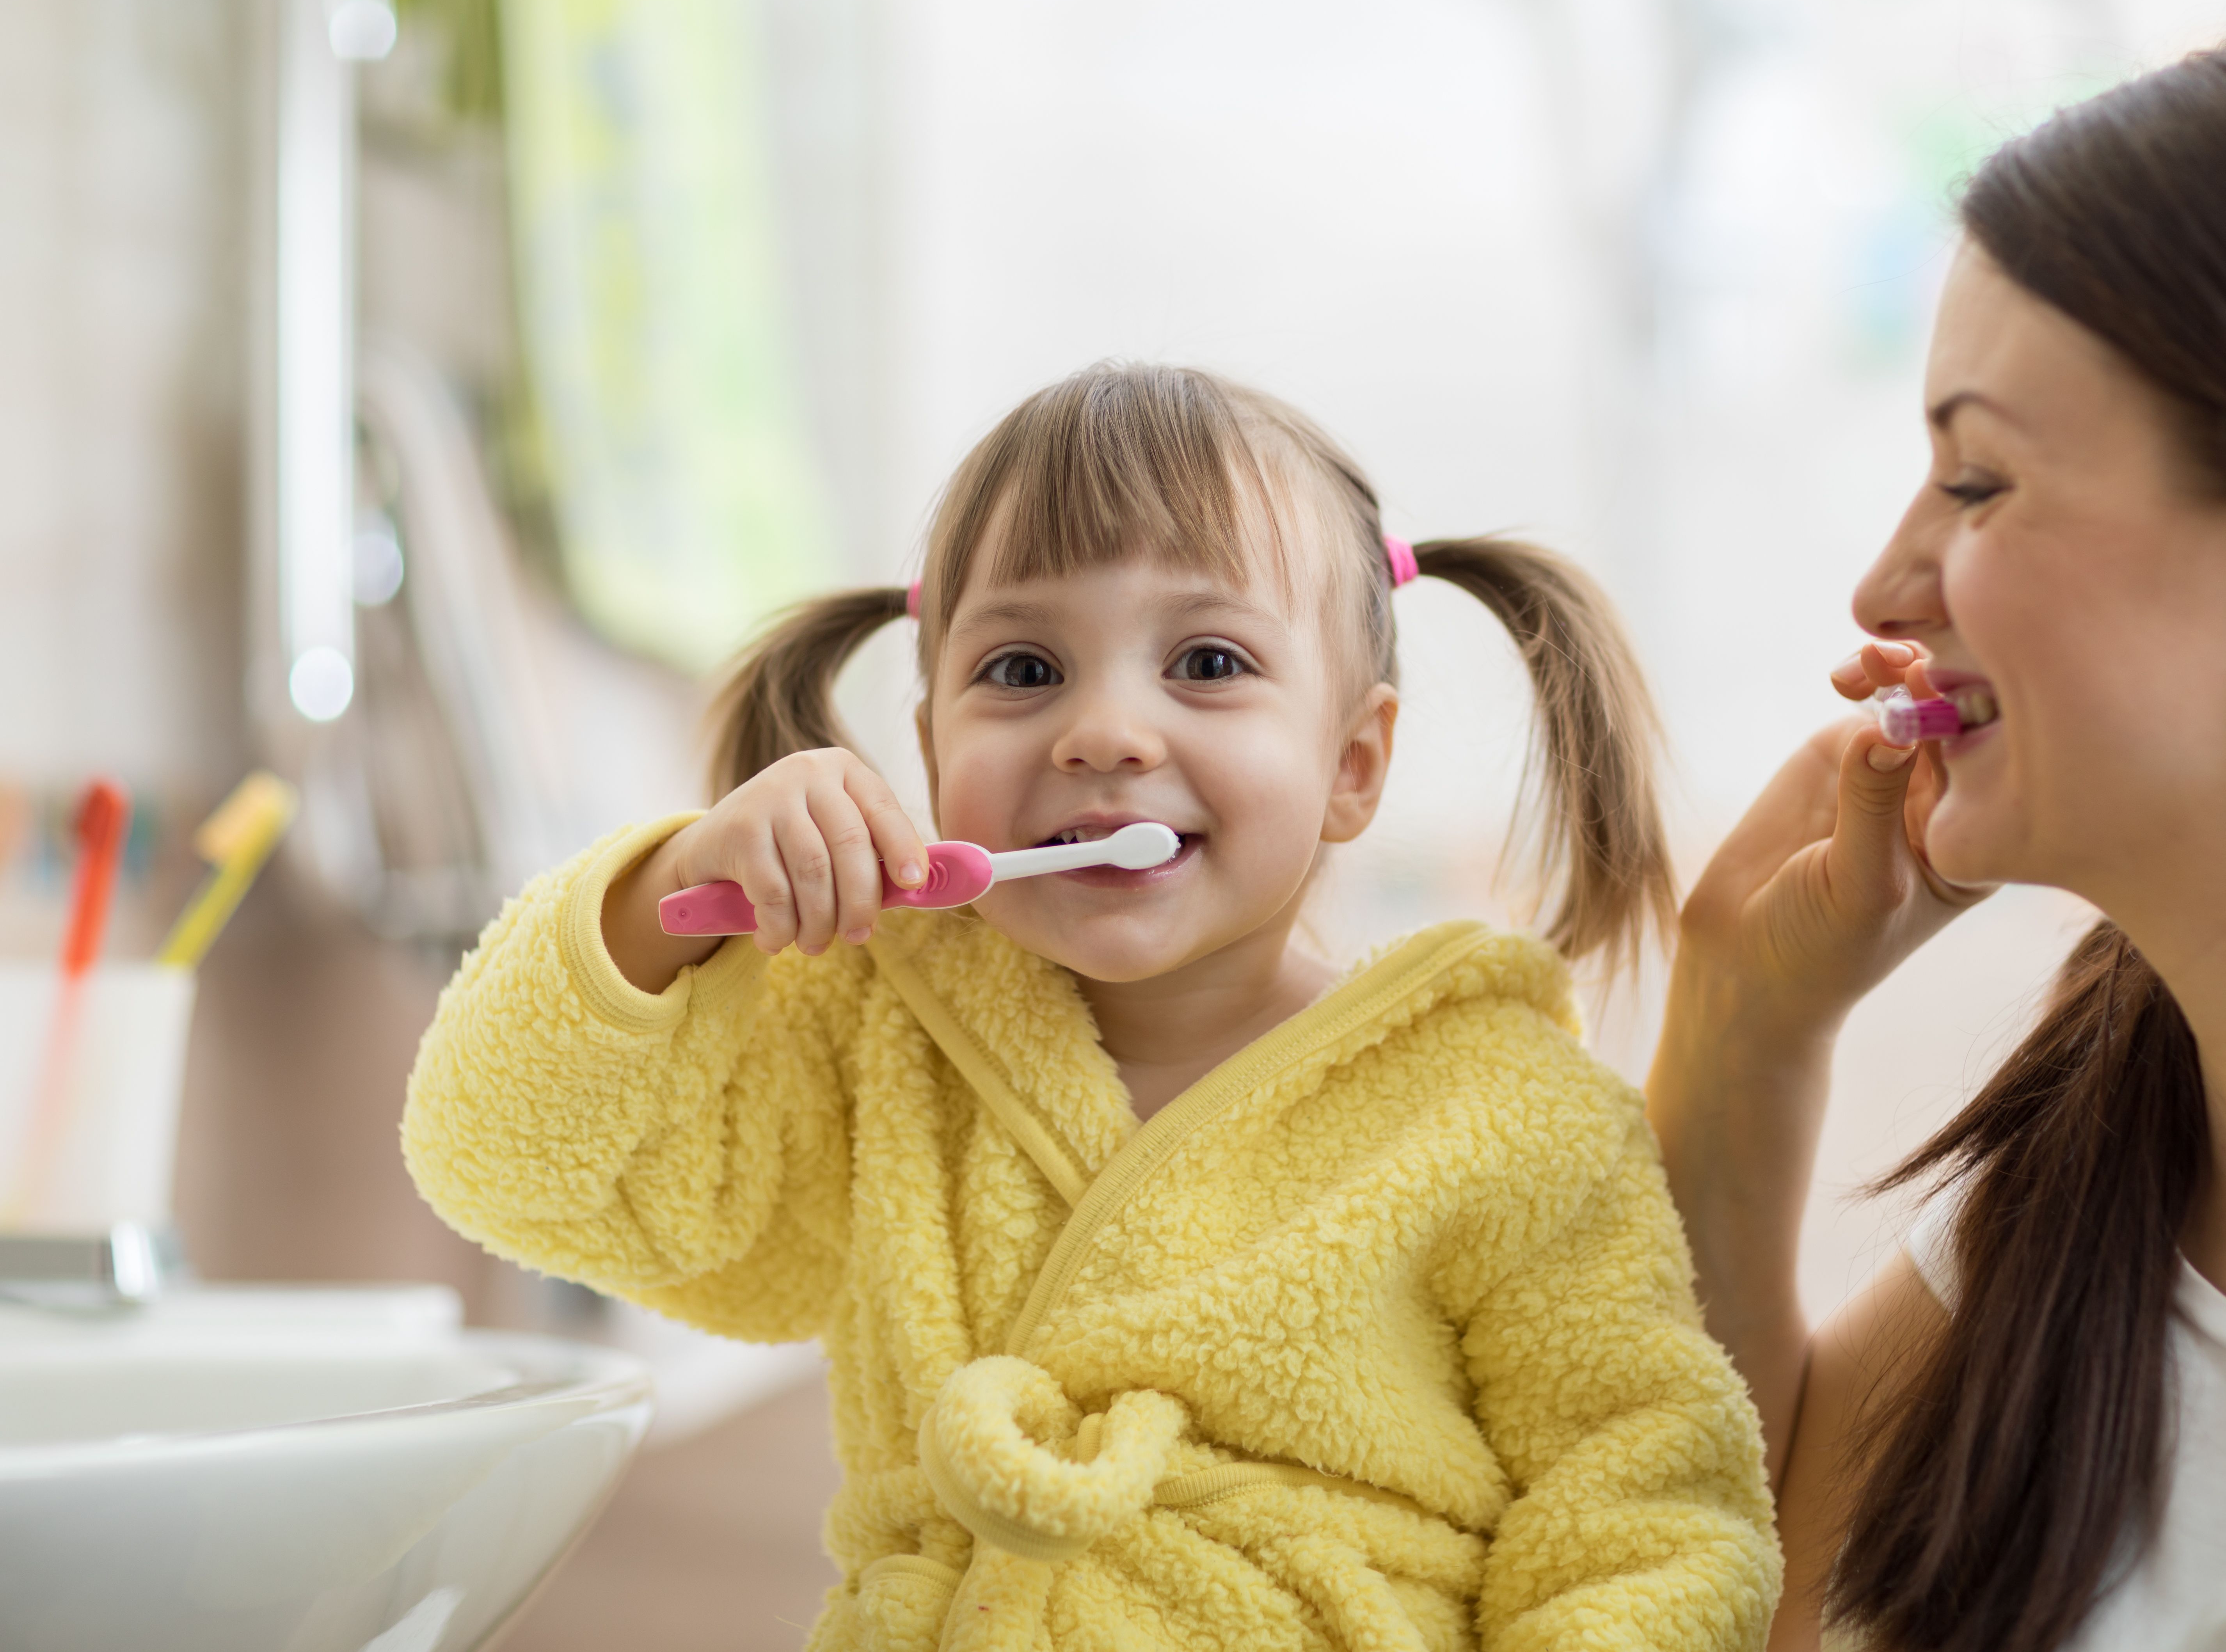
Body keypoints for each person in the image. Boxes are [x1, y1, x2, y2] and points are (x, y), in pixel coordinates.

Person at [403, 363, 1780, 1649]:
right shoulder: (876, 1036)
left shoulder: (1509, 1112)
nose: (1105, 731)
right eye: (1020, 672)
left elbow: (1645, 1513)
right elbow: (519, 1173)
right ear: (934, 749)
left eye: (1208, 665)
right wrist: (656, 899)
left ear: (1352, 764)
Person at [1650, 25, 2226, 1652]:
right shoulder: (2084, 1194)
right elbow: (1693, 1596)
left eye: (1977, 482)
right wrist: (1740, 1028)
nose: (1887, 590)